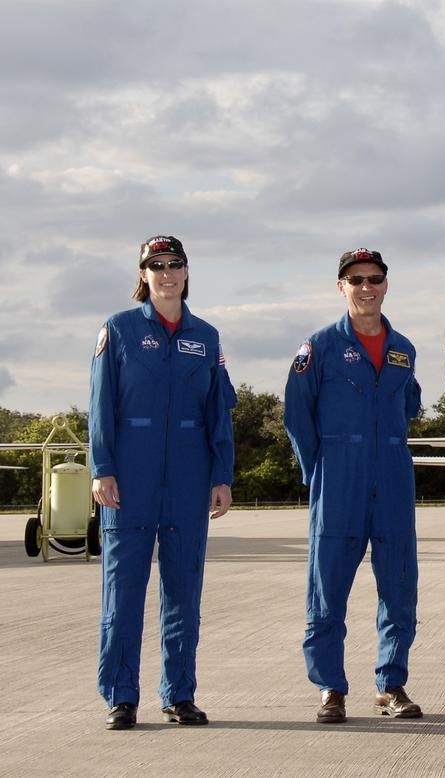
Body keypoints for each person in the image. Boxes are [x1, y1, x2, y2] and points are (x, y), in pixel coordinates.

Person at [89, 235, 236, 730]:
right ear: (144, 275)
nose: (167, 273)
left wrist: (221, 475)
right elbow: (100, 407)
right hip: (128, 480)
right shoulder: (120, 330)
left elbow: (219, 414)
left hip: (189, 481)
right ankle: (120, 696)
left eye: (175, 264)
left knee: (183, 593)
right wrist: (101, 468)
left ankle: (178, 693)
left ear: (187, 272)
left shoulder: (206, 337)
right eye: (157, 265)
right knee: (123, 592)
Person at [284, 248, 423, 724]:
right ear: (340, 286)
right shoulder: (317, 348)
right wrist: (317, 473)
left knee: (400, 587)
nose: (366, 287)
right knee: (327, 590)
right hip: (338, 480)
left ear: (386, 285)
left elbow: (411, 405)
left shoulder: (403, 349)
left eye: (375, 279)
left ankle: (392, 684)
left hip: (392, 478)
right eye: (356, 279)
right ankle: (330, 688)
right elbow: (297, 416)